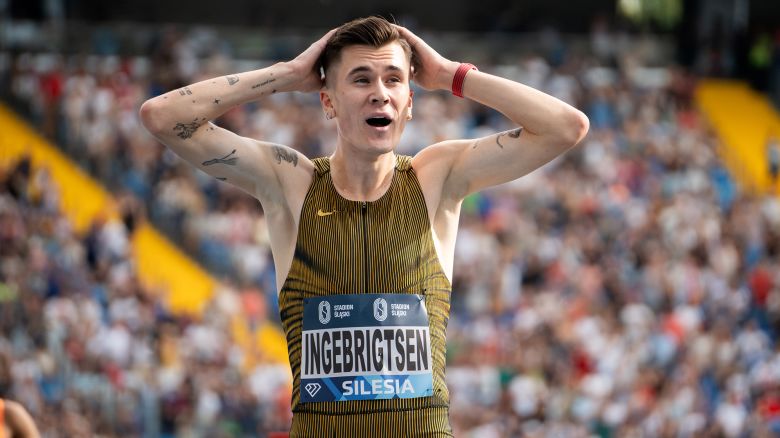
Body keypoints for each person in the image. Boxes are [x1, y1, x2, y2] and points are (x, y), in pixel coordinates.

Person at [140, 16, 588, 437]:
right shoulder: (291, 182)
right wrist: (289, 73)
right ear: (327, 100)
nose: (380, 93)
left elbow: (565, 128)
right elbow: (162, 117)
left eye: (394, 79)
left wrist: (450, 73)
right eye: (361, 79)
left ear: (409, 101)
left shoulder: (436, 177)